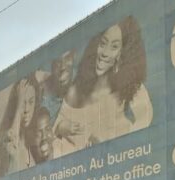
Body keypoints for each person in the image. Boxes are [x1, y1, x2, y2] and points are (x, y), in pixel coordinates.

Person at [53, 16, 151, 158]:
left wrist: (115, 149)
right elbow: (57, 121)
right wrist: (61, 127)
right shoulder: (77, 89)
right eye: (103, 44)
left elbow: (145, 119)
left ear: (123, 54)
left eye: (114, 47)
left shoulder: (132, 88)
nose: (104, 53)